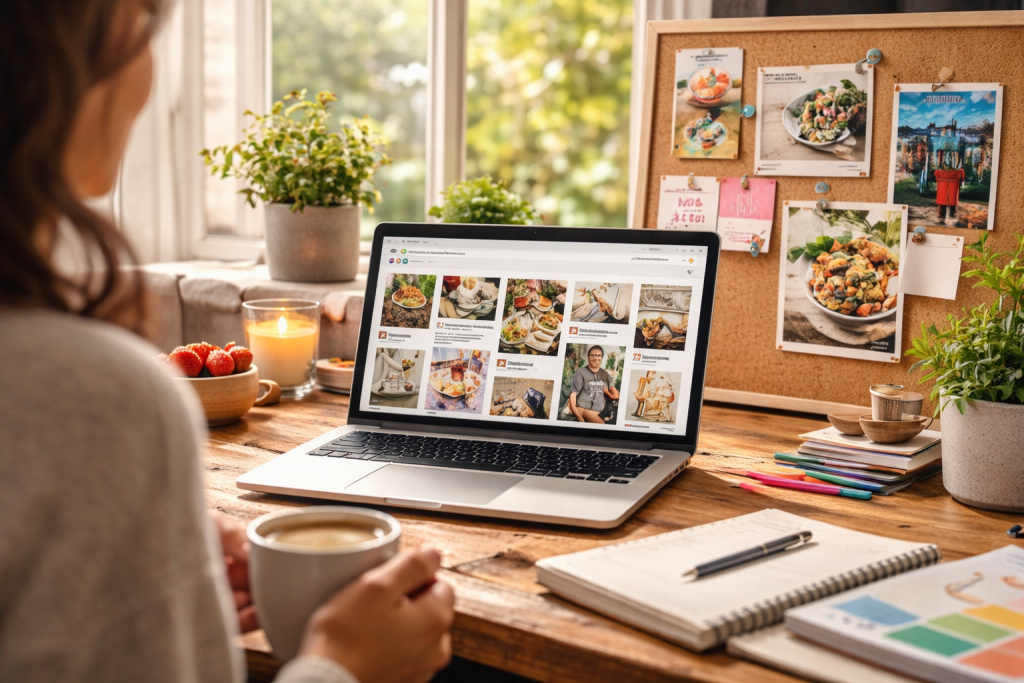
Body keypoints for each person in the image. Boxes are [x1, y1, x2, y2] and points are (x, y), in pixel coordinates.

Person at [0, 2, 454, 682]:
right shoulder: (95, 400)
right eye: (140, 35)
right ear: (61, 73)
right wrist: (345, 666)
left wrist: (145, 547)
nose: (150, 75)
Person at [567, 346, 619, 423]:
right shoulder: (580, 373)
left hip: (600, 411)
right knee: (600, 424)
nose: (595, 358)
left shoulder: (605, 374)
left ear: (601, 358)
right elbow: (573, 395)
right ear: (588, 357)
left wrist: (609, 392)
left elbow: (615, 393)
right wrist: (579, 416)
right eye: (592, 355)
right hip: (584, 409)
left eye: (598, 355)